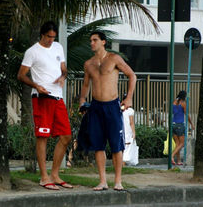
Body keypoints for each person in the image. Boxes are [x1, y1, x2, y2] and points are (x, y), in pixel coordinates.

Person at [17, 21, 72, 190]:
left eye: (53, 37)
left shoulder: (58, 48)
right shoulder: (32, 52)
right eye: (49, 37)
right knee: (43, 137)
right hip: (42, 99)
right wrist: (36, 86)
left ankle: (55, 175)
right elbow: (21, 75)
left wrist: (63, 77)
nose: (51, 40)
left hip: (57, 97)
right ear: (42, 34)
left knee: (66, 135)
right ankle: (43, 177)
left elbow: (64, 69)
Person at [79, 31, 136, 191]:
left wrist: (129, 98)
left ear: (103, 42)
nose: (92, 43)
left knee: (117, 145)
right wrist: (82, 100)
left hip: (112, 106)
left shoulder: (114, 59)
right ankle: (103, 181)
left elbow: (132, 75)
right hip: (96, 107)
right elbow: (85, 85)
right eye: (90, 40)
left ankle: (118, 181)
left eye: (95, 40)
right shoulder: (88, 64)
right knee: (98, 145)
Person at [171, 90, 195, 165]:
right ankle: (171, 156)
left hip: (173, 124)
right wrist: (191, 124)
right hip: (180, 125)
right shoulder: (183, 103)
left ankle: (178, 161)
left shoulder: (174, 102)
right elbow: (187, 115)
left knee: (177, 144)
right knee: (182, 143)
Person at [122, 94, 136, 166]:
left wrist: (133, 133)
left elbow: (131, 123)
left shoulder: (127, 110)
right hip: (125, 130)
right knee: (125, 145)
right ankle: (122, 163)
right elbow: (131, 123)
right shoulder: (128, 110)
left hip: (124, 129)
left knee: (124, 146)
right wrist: (133, 132)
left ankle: (123, 163)